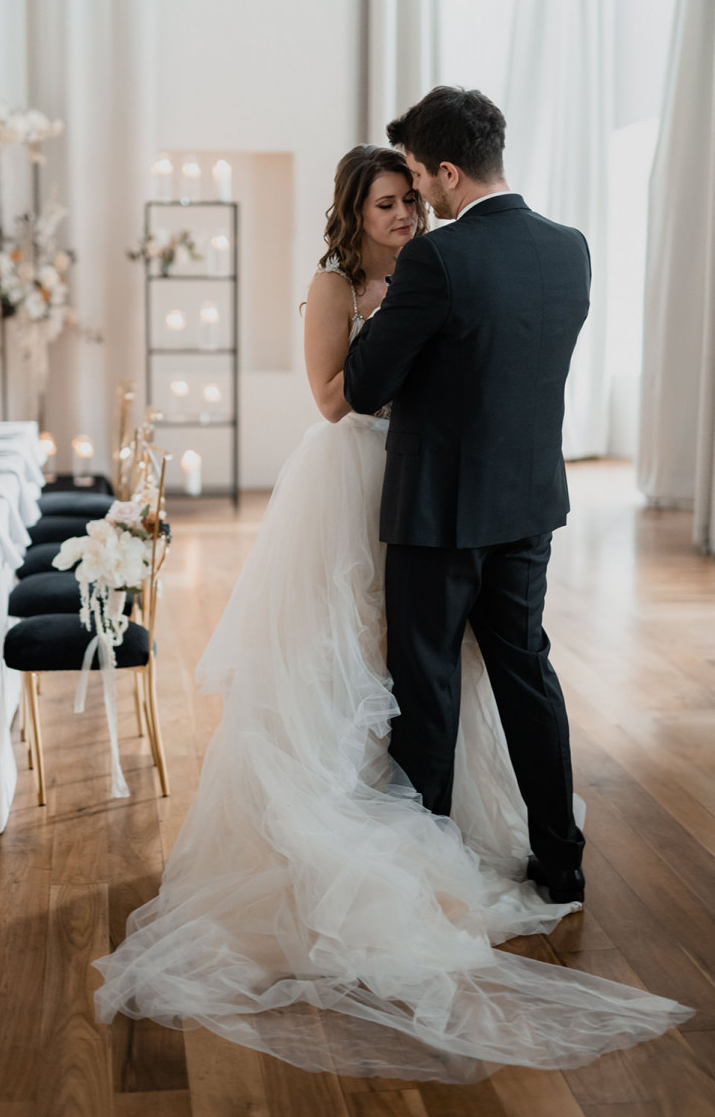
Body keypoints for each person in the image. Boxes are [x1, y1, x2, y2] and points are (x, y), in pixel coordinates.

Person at [93, 141, 690, 1084]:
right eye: (386, 204)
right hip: (366, 484)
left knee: (448, 668)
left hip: (437, 493)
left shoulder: (439, 267)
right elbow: (336, 400)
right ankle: (398, 842)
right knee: (372, 662)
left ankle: (455, 843)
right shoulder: (340, 286)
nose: (405, 215)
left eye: (411, 199)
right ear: (353, 211)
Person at [344, 86, 586, 905]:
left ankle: (426, 875)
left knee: (428, 688)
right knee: (528, 676)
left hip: (436, 511)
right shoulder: (571, 248)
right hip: (526, 506)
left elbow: (367, 379)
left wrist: (377, 313)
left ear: (448, 171)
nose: (419, 195)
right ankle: (561, 860)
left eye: (419, 175)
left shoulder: (436, 260)